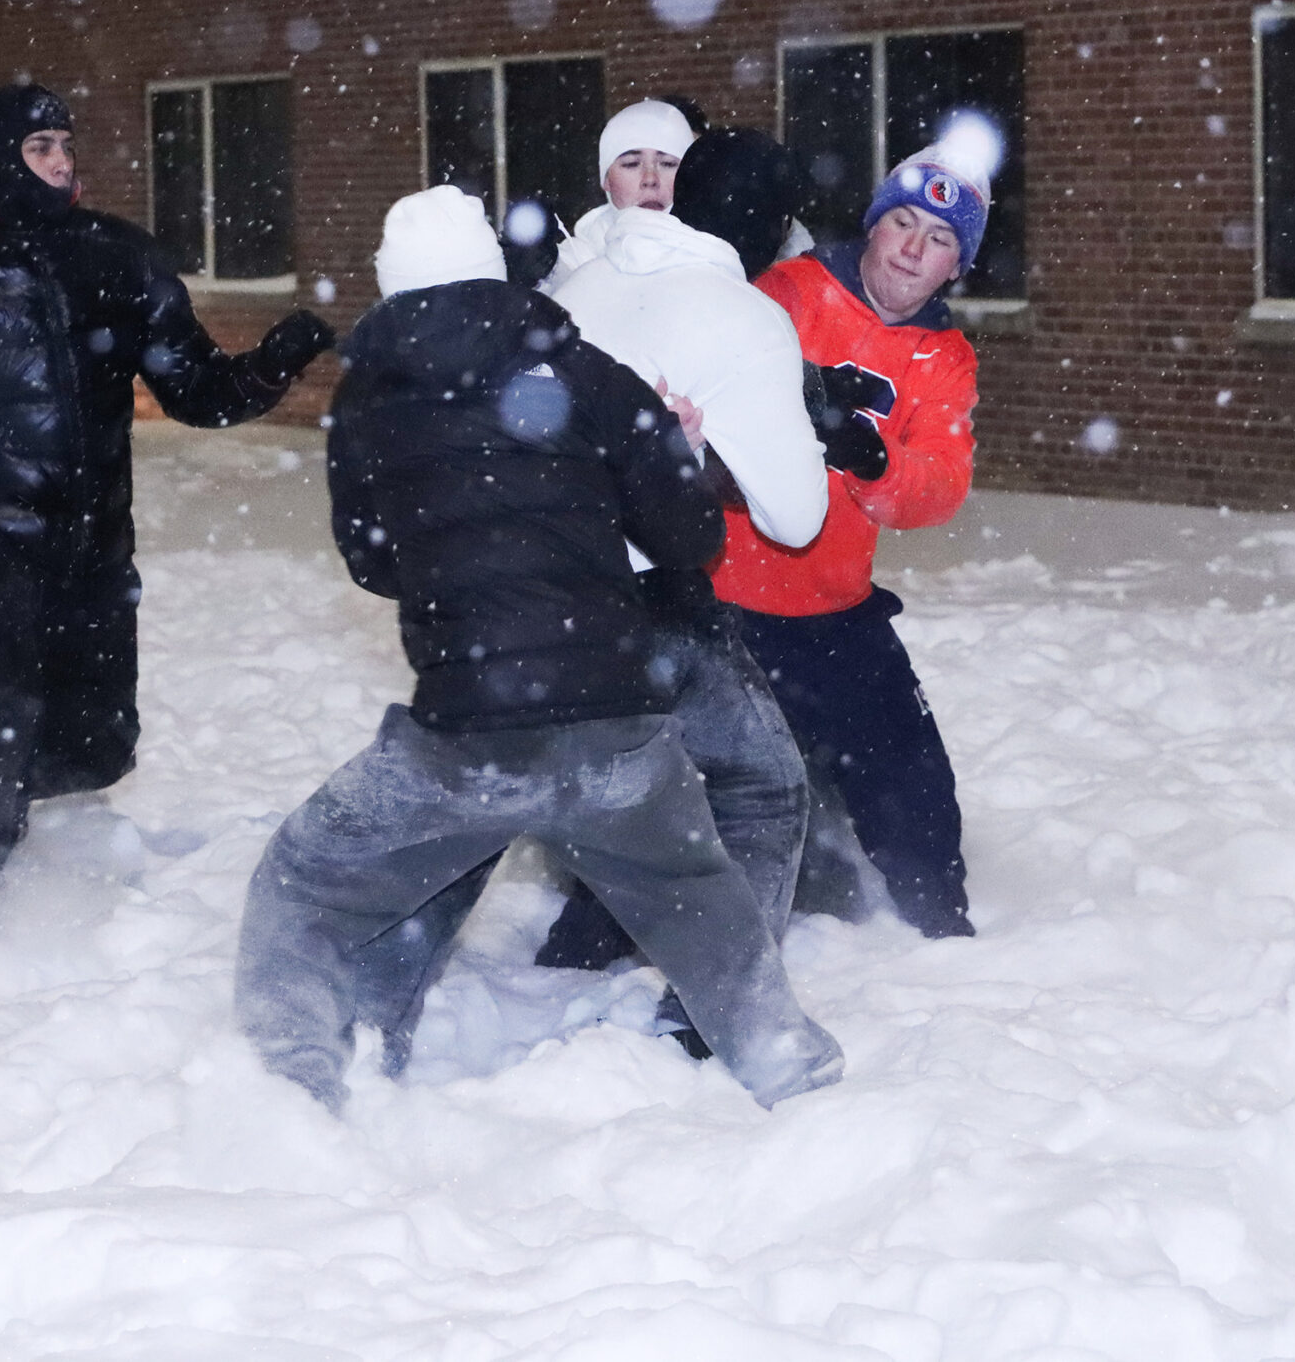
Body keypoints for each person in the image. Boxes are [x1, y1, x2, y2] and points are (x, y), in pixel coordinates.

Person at [233, 186, 842, 1112]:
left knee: (308, 876)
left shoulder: (366, 401)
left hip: (466, 737)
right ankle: (782, 1057)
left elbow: (372, 561)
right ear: (493, 271)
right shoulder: (586, 369)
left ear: (392, 288)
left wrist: (458, 561)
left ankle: (301, 1074)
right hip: (617, 725)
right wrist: (674, 452)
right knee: (692, 888)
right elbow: (687, 539)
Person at [0, 83, 334, 875]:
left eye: (65, 145)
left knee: (95, 745)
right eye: (38, 148)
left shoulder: (118, 256)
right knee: (6, 728)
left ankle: (13, 807)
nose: (58, 163)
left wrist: (274, 363)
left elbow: (196, 391)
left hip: (94, 548)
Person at [529, 128, 830, 984]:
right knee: (763, 793)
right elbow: (799, 516)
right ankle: (722, 1010)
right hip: (639, 595)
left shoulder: (581, 280)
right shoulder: (744, 315)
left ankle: (573, 959)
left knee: (610, 782)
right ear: (769, 227)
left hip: (525, 590)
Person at [714, 139, 989, 938]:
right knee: (693, 790)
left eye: (939, 239)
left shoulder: (945, 359)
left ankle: (945, 937)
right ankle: (584, 954)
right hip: (721, 597)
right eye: (902, 222)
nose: (912, 248)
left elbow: (939, 486)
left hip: (835, 607)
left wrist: (874, 460)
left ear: (954, 266)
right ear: (872, 226)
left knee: (912, 778)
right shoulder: (787, 295)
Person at [535, 97, 699, 289]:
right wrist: (543, 275)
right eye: (631, 164)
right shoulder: (574, 262)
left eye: (668, 164)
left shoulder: (716, 255)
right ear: (606, 179)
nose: (650, 179)